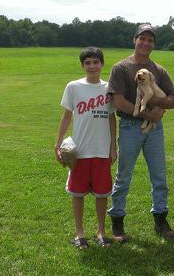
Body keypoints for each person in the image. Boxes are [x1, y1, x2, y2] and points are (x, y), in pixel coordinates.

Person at [107, 23, 174, 241]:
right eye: (142, 38)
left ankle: (161, 219)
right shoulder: (120, 68)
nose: (146, 43)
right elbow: (118, 101)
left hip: (155, 130)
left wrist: (156, 103)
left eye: (150, 40)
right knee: (123, 176)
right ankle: (117, 222)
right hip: (130, 127)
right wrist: (148, 114)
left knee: (159, 176)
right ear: (134, 40)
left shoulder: (158, 70)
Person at [55, 46, 117, 249]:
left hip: (101, 149)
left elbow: (111, 118)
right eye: (87, 62)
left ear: (102, 63)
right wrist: (58, 144)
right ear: (83, 65)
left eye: (95, 62)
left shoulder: (109, 88)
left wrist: (112, 146)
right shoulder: (73, 87)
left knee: (102, 194)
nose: (92, 66)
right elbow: (66, 117)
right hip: (79, 151)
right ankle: (79, 233)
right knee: (77, 193)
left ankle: (101, 231)